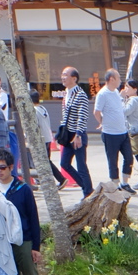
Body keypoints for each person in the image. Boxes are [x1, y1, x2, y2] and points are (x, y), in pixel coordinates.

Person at [93, 68, 134, 191]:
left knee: (129, 157)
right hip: (110, 133)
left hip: (123, 131)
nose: (120, 81)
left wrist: (122, 96)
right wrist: (102, 122)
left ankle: (125, 183)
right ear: (111, 79)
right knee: (113, 160)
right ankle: (115, 185)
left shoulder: (115, 92)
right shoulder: (102, 93)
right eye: (118, 78)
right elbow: (96, 112)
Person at [57, 65, 93, 196]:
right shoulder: (66, 93)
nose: (63, 77)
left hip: (77, 134)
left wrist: (78, 134)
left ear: (74, 78)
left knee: (81, 166)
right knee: (64, 163)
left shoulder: (80, 94)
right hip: (68, 134)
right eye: (62, 74)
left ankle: (88, 192)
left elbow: (82, 115)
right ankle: (86, 186)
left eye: (65, 75)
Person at [29, 88, 65, 187]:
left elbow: (34, 127)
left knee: (43, 162)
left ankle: (59, 179)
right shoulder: (42, 108)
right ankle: (45, 180)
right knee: (45, 161)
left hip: (41, 139)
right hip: (47, 138)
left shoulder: (33, 111)